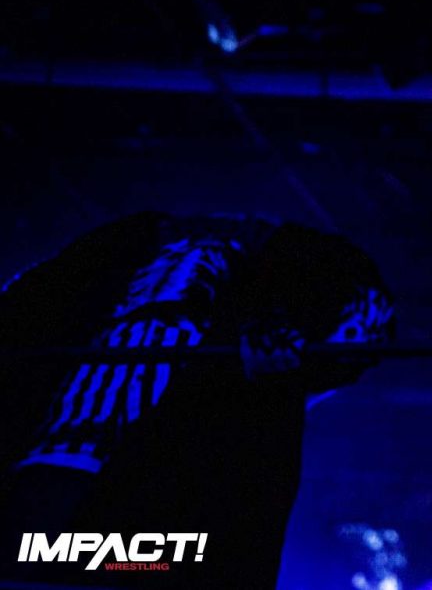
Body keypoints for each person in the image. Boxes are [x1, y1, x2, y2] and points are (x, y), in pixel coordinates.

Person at [0, 212, 393, 588]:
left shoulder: (123, 254)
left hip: (72, 472)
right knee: (122, 559)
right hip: (99, 477)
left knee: (63, 557)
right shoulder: (287, 292)